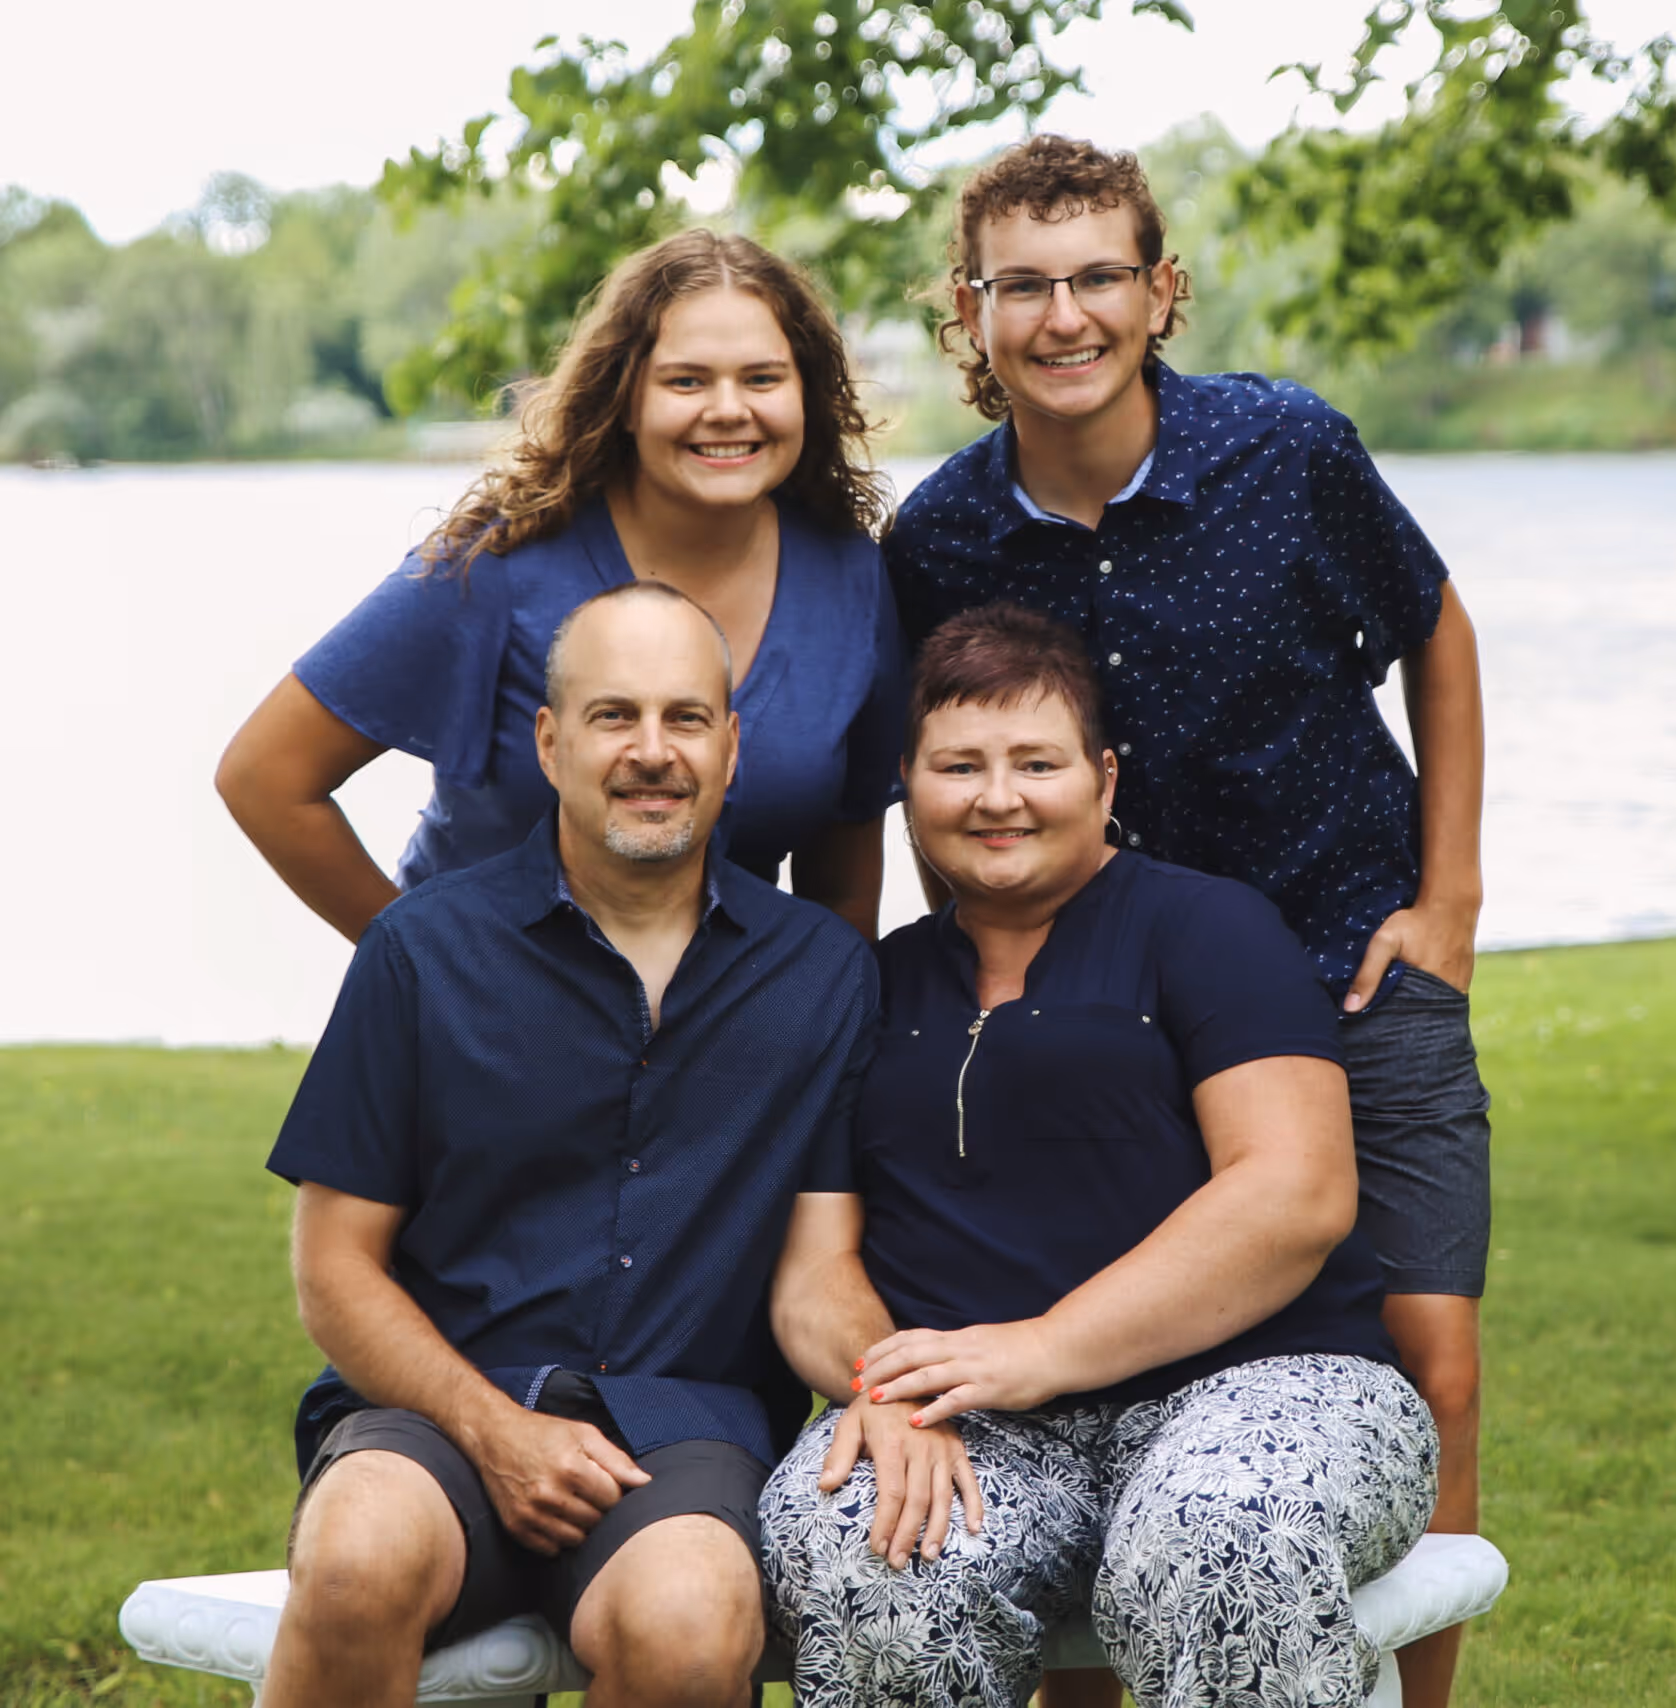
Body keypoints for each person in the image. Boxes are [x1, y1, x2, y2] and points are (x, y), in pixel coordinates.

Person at [886, 136, 1487, 1708]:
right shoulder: (940, 538)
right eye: (1025, 283)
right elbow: (938, 764)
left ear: (1162, 292)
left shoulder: (1285, 452)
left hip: (1347, 955)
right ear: (974, 311)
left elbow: (1435, 632)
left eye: (1098, 275)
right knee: (1109, 1351)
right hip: (1120, 1010)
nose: (1064, 314)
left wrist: (1450, 897)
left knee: (1429, 1352)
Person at [761, 605, 1438, 1708]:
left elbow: (1294, 1191)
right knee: (860, 1541)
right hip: (970, 1416)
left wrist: (1045, 1346)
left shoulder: (1211, 930)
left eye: (1036, 761)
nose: (995, 796)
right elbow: (811, 1264)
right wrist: (874, 1389)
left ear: (1103, 778)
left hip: (1262, 1385)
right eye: (958, 765)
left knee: (1214, 1537)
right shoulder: (864, 987)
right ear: (906, 784)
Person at [258, 583, 878, 1708]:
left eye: (685, 718)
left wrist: (886, 1384)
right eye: (612, 716)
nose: (652, 751)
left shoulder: (821, 975)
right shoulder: (419, 951)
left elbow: (816, 1267)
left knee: (689, 1625)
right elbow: (333, 1268)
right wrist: (493, 1429)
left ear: (731, 747)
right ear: (549, 742)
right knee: (353, 1566)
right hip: (436, 1413)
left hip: (682, 1432)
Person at [217, 229, 901, 945]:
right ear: (626, 399)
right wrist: (424, 975)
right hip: (486, 1043)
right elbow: (266, 778)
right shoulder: (497, 567)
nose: (729, 408)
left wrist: (828, 1034)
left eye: (762, 378)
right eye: (687, 380)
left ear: (808, 395)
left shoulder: (850, 580)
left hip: (725, 1038)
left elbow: (844, 874)